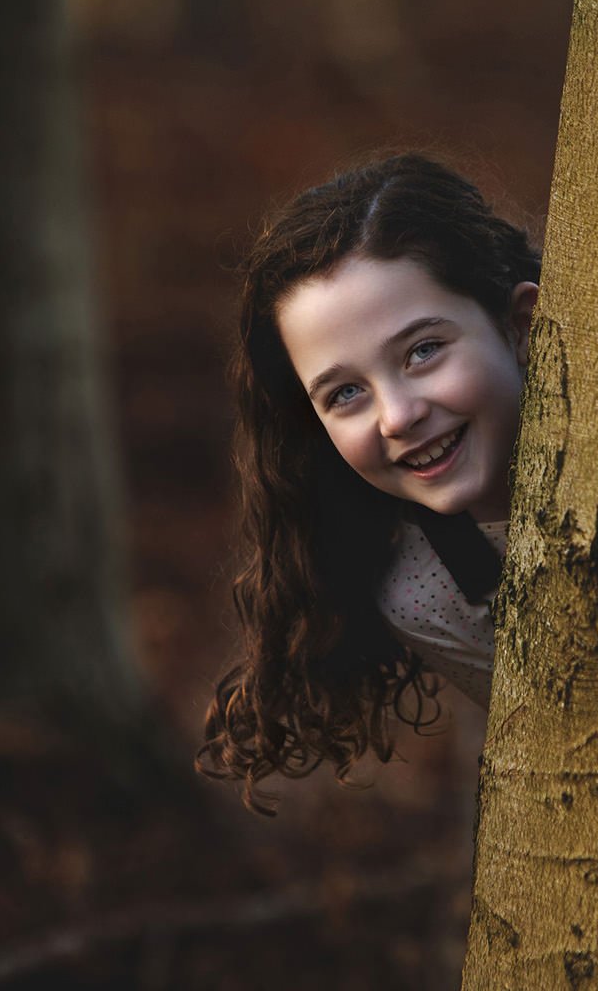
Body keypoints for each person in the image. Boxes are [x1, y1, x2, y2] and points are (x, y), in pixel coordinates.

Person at [196, 153, 540, 812]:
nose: (399, 415)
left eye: (423, 351)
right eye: (346, 392)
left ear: (517, 323)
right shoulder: (424, 589)